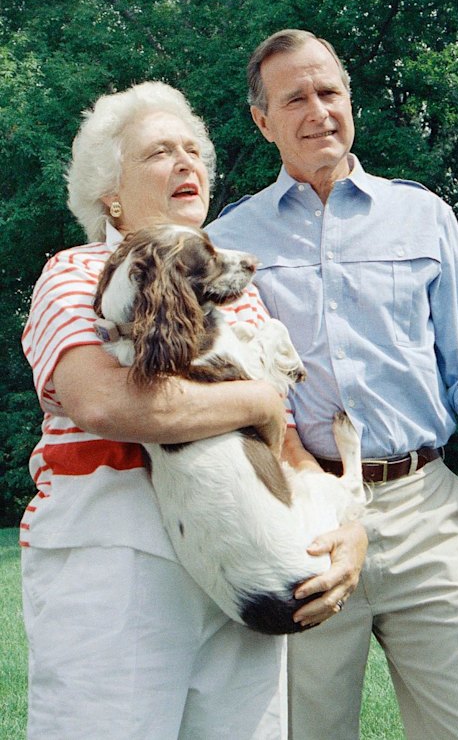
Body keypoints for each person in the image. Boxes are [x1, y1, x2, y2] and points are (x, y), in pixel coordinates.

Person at [207, 29, 458, 740]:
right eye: (296, 98)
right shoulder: (231, 240)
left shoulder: (425, 216)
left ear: (350, 100)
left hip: (426, 510)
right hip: (303, 522)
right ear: (263, 122)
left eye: (330, 92)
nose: (318, 110)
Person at [20, 81, 365, 740]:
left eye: (193, 151)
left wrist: (348, 528)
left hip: (248, 561)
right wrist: (258, 397)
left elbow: (288, 455)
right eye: (158, 153)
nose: (186, 164)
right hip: (116, 561)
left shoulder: (240, 301)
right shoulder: (77, 273)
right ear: (109, 193)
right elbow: (105, 402)